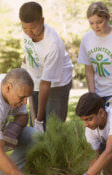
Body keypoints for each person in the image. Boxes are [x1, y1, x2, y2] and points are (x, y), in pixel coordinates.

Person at [19, 1, 73, 132]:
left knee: (52, 128)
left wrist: (39, 119)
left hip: (57, 84)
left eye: (33, 28)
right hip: (36, 80)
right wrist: (22, 83)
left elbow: (45, 83)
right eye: (24, 28)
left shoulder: (52, 44)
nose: (29, 32)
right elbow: (28, 55)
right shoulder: (26, 33)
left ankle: (56, 150)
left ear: (42, 21)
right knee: (36, 131)